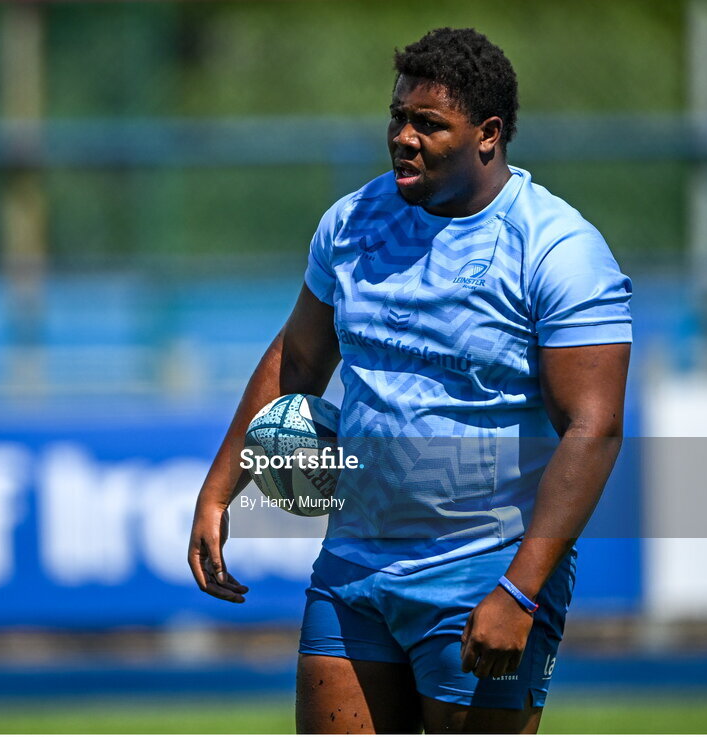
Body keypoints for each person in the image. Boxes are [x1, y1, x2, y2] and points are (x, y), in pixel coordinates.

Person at [188, 27, 631, 734]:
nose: (403, 136)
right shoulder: (354, 222)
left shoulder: (560, 249)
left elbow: (595, 427)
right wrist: (220, 491)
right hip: (353, 566)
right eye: (398, 117)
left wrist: (519, 590)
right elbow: (298, 362)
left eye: (428, 123)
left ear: (487, 134)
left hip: (482, 572)